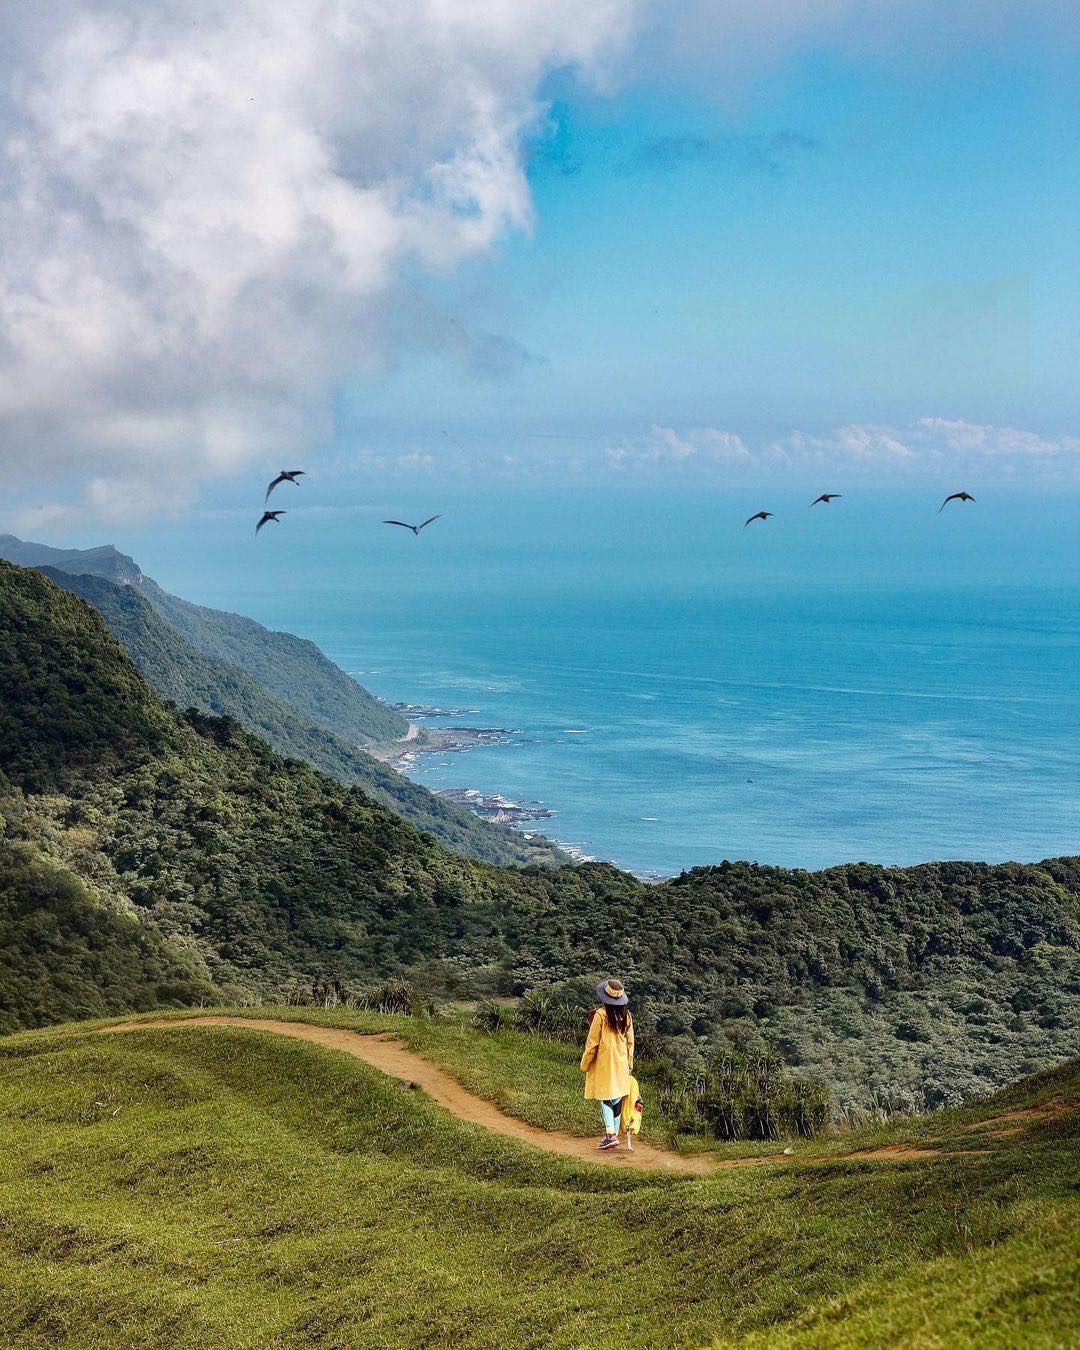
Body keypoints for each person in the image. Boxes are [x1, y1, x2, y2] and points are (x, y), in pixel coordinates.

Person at [580, 978, 634, 1150]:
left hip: (605, 1062)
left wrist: (585, 1062)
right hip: (621, 1061)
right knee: (617, 1097)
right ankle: (614, 1134)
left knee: (605, 1097)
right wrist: (629, 1063)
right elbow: (630, 1042)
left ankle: (610, 1135)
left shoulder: (600, 1015)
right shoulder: (627, 1016)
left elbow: (592, 1042)